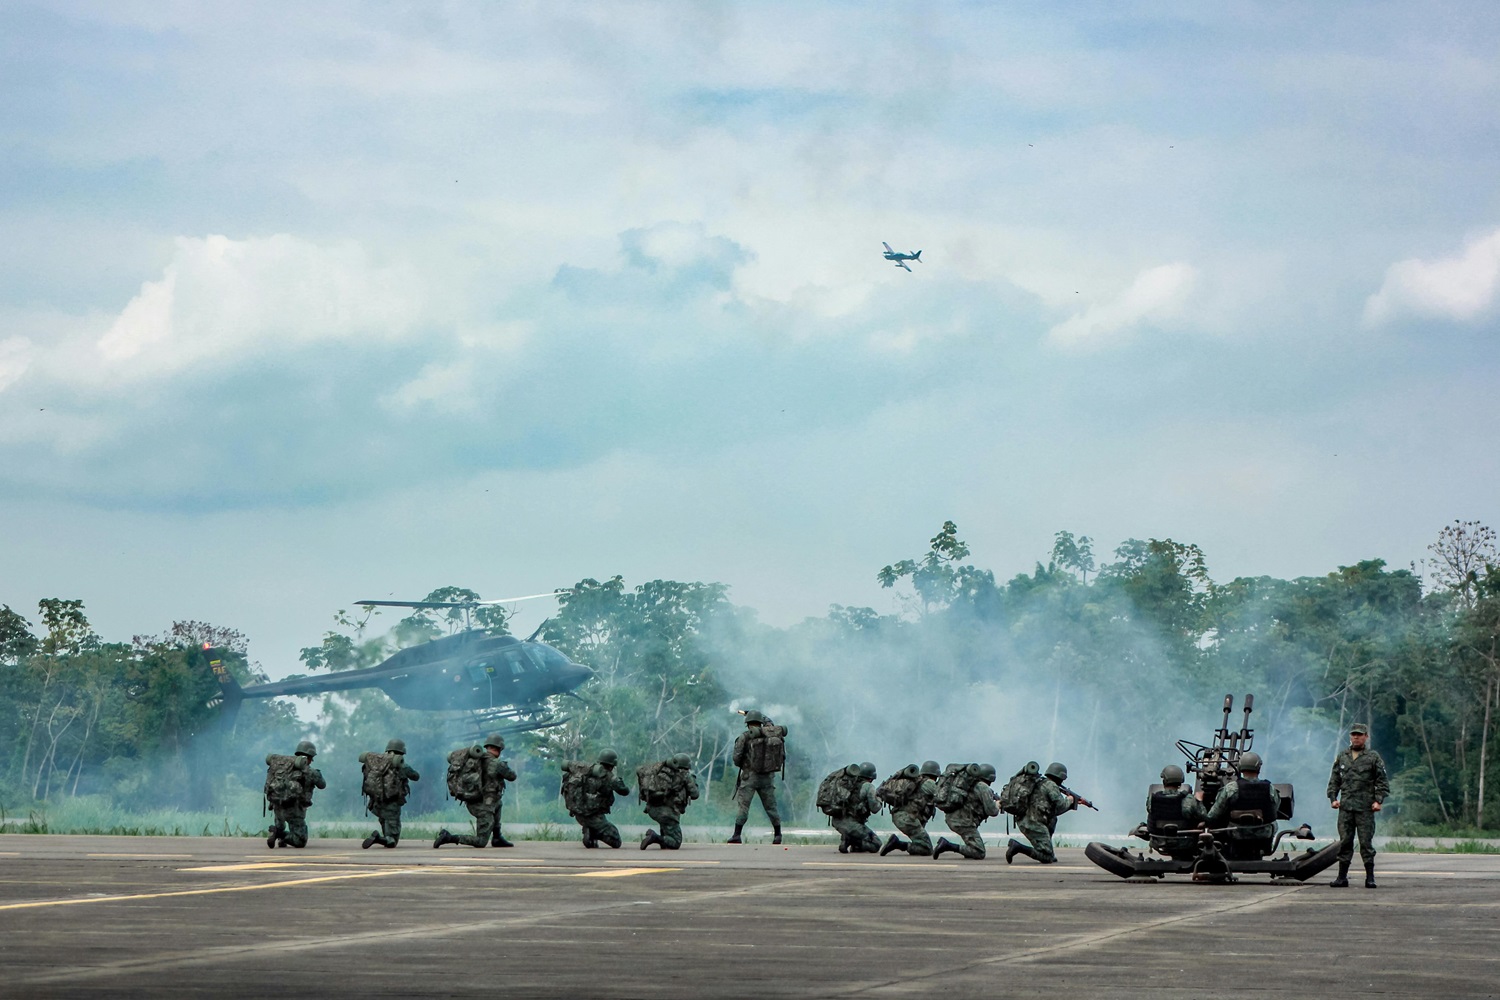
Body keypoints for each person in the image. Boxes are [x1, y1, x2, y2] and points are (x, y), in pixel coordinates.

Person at [1327, 722, 1390, 888]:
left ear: (1366, 737)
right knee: (1345, 842)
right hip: (1346, 808)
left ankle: (1370, 878)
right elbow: (1334, 780)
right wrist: (1333, 798)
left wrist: (1378, 800)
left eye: (1360, 734)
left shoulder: (1373, 758)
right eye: (1354, 734)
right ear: (1350, 736)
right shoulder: (1342, 756)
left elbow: (1382, 782)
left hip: (1365, 809)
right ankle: (1342, 877)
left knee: (1366, 844)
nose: (1356, 737)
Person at [434, 733, 517, 849]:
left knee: (498, 803)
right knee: (481, 841)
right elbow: (512, 776)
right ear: (499, 748)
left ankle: (497, 837)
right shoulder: (497, 763)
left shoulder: (475, 760)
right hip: (484, 807)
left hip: (474, 801)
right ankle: (449, 837)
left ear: (487, 746)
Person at [1204, 751, 1281, 858]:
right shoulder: (1270, 789)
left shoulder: (1231, 789)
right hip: (1263, 834)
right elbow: (1273, 812)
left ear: (1240, 767)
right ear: (1258, 768)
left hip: (1236, 834)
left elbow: (1213, 816)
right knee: (1274, 823)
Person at [729, 710, 787, 845]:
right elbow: (782, 756)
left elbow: (736, 758)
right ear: (760, 723)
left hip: (749, 777)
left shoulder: (744, 737)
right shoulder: (771, 736)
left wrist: (745, 765)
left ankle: (736, 835)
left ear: (747, 724)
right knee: (771, 807)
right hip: (767, 778)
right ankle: (778, 835)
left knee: (743, 807)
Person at [1005, 761, 1078, 864]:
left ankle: (1047, 850)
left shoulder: (1039, 783)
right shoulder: (1051, 785)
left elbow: (1053, 811)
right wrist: (1070, 800)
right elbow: (1061, 806)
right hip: (1034, 823)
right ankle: (1018, 847)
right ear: (1060, 777)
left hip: (1025, 821)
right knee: (1046, 857)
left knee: (1053, 819)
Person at [561, 748, 632, 848]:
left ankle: (590, 833)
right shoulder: (608, 777)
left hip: (578, 814)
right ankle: (592, 833)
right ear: (612, 765)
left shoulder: (584, 772)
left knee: (595, 836)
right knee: (616, 841)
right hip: (594, 817)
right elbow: (624, 791)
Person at [359, 738, 421, 849]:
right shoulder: (401, 765)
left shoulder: (377, 763)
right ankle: (378, 838)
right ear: (401, 752)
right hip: (392, 803)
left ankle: (382, 838)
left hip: (377, 802)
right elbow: (415, 776)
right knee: (392, 841)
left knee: (386, 830)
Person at [265, 740, 326, 849]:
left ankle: (278, 833)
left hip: (277, 805)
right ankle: (279, 834)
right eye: (311, 758)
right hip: (295, 809)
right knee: (300, 841)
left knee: (280, 824)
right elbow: (322, 785)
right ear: (308, 757)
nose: (312, 761)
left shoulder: (283, 769)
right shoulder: (310, 772)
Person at [934, 763, 1000, 860]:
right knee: (979, 852)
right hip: (963, 822)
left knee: (973, 846)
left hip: (954, 819)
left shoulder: (970, 784)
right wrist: (997, 804)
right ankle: (946, 845)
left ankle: (967, 850)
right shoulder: (983, 787)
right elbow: (992, 811)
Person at [1144, 763, 1208, 858]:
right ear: (1181, 781)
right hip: (1185, 842)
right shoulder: (1189, 800)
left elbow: (1150, 813)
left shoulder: (1152, 799)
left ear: (1164, 780)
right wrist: (1199, 801)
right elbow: (1205, 816)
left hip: (1159, 841)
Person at [879, 760, 942, 857]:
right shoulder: (929, 783)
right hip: (907, 818)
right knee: (926, 848)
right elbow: (942, 797)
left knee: (921, 842)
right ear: (936, 775)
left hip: (902, 816)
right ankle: (896, 844)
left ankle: (897, 844)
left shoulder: (918, 782)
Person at [640, 753, 700, 850]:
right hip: (668, 813)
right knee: (676, 842)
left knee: (667, 831)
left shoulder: (663, 773)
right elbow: (695, 795)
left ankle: (662, 840)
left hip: (653, 809)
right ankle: (654, 837)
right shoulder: (685, 775)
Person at [822, 761, 881, 854]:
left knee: (858, 847)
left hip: (837, 821)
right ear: (871, 777)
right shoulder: (868, 786)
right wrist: (880, 799)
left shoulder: (848, 783)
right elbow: (875, 809)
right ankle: (849, 840)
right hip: (852, 825)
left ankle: (852, 841)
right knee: (876, 844)